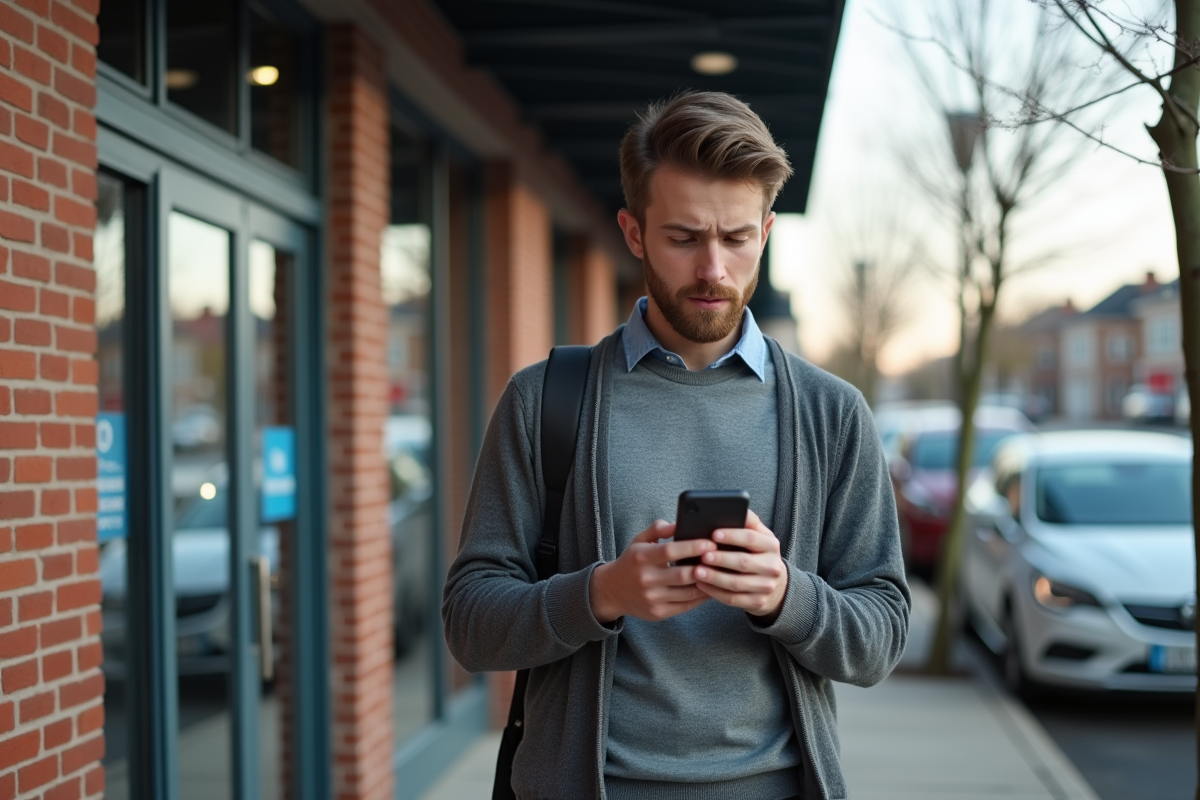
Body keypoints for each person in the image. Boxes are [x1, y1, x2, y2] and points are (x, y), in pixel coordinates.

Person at [443, 91, 910, 800]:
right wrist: (601, 593)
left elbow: (881, 637)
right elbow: (470, 625)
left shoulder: (833, 413)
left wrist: (787, 594)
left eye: (737, 238)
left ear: (767, 232)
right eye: (684, 238)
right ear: (633, 233)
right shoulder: (544, 401)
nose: (713, 269)